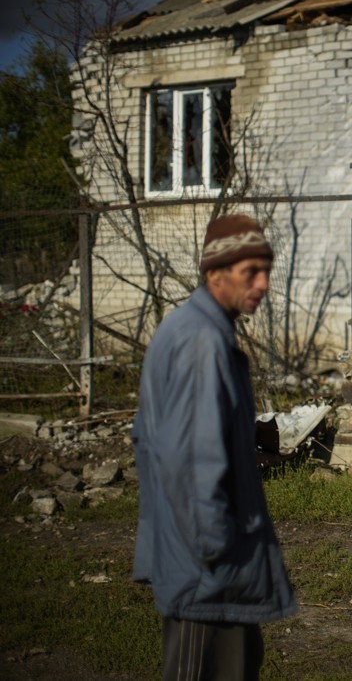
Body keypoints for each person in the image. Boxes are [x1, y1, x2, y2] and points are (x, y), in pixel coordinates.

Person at [132, 215, 297, 681]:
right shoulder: (200, 342)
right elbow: (191, 464)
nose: (264, 283)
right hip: (208, 569)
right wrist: (217, 555)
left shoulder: (195, 329)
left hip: (208, 561)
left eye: (267, 269)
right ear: (215, 273)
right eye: (251, 271)